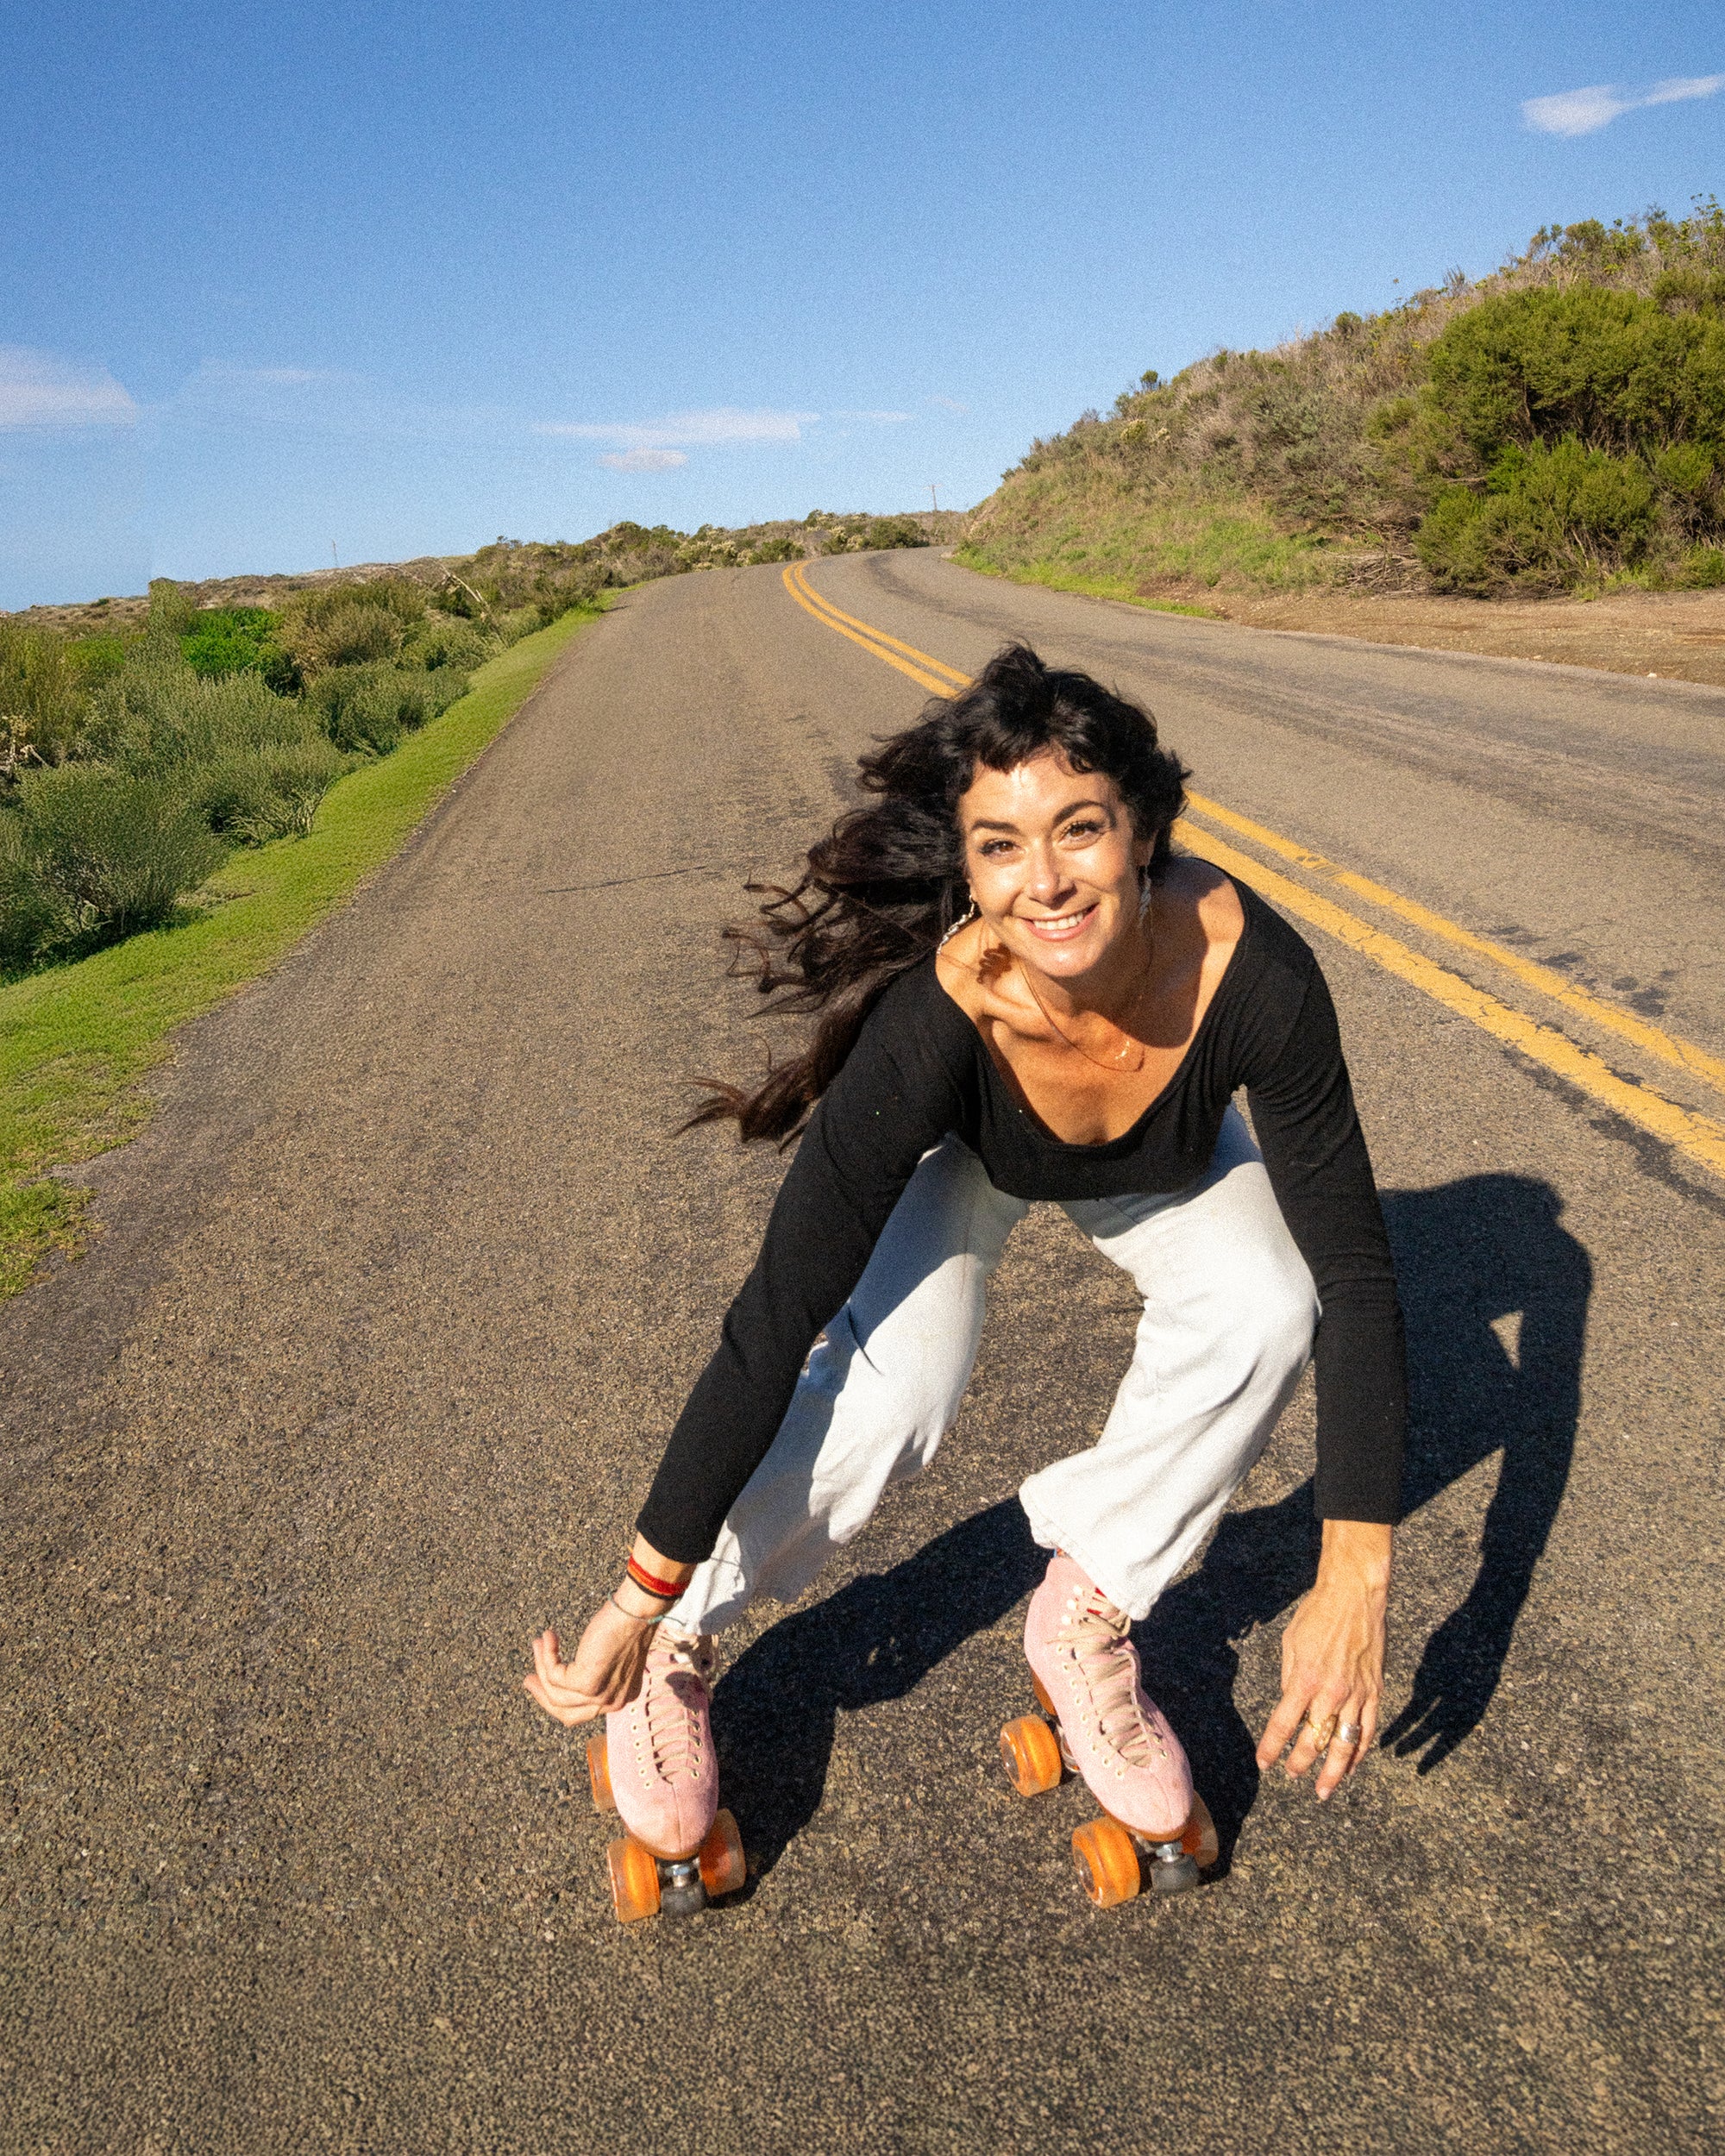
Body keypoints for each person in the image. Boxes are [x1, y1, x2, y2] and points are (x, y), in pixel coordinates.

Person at [525, 642, 1404, 1895]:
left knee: (1272, 1300)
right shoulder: (942, 1019)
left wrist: (1353, 1574)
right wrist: (633, 1592)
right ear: (969, 864)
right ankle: (681, 1635)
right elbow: (776, 1317)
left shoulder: (1250, 970)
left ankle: (1089, 1602)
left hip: (1157, 1146)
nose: (1043, 880)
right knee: (898, 1394)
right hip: (983, 1152)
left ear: (1142, 829)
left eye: (1079, 829)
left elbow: (1359, 1280)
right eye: (1000, 845)